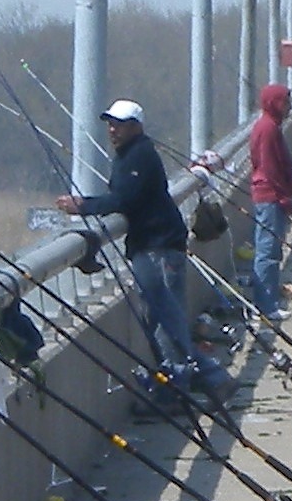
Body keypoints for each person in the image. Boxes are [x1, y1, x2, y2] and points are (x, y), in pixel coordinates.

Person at [56, 98, 200, 387]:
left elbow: (125, 200)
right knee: (159, 315)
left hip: (159, 246)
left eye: (119, 125)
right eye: (110, 124)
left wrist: (83, 205)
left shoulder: (139, 156)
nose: (112, 130)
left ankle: (178, 385)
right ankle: (173, 381)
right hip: (150, 244)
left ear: (136, 127)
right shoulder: (129, 154)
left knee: (164, 319)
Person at [244, 81, 292, 318]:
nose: (289, 107)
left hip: (270, 196)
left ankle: (268, 302)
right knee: (267, 251)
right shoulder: (268, 129)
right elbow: (269, 168)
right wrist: (283, 197)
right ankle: (265, 306)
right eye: (285, 102)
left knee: (271, 249)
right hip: (269, 197)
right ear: (274, 103)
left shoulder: (269, 126)